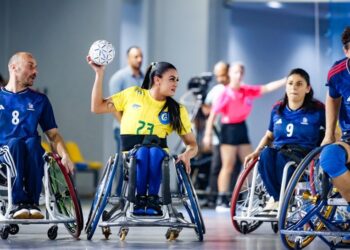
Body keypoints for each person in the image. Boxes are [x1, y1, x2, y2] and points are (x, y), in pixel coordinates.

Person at [87, 57, 198, 216]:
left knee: (152, 152)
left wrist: (187, 154)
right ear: (157, 80)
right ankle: (139, 198)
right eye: (172, 79)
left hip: (158, 154)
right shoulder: (133, 94)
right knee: (142, 152)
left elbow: (193, 145)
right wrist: (99, 74)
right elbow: (97, 107)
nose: (176, 84)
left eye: (177, 80)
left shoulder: (176, 109)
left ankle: (152, 198)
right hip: (131, 154)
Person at [203, 62, 286, 211]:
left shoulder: (245, 90)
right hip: (228, 129)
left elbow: (265, 88)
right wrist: (208, 135)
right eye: (236, 72)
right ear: (229, 74)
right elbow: (213, 115)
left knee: (251, 162)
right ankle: (221, 199)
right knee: (227, 165)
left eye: (241, 72)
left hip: (241, 127)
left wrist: (285, 80)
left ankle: (246, 195)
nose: (239, 75)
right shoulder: (225, 93)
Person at [0, 52, 74, 219]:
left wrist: (65, 155)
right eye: (30, 66)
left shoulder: (39, 100)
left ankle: (32, 202)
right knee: (15, 144)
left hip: (29, 150)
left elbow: (53, 135)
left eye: (36, 67)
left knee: (34, 143)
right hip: (4, 152)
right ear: (13, 67)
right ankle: (18, 202)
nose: (36, 71)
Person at [245, 68, 325, 212]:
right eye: (290, 83)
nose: (294, 87)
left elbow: (331, 132)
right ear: (286, 86)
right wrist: (256, 152)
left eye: (299, 84)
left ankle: (279, 200)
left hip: (303, 153)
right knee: (266, 154)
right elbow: (269, 136)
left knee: (283, 157)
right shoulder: (277, 108)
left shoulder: (318, 109)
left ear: (307, 89)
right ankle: (277, 199)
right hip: (279, 149)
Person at [319, 26, 350, 204]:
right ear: (346, 51)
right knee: (329, 157)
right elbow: (332, 98)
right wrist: (329, 134)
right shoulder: (338, 73)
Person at [109, 46, 144, 153]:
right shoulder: (119, 78)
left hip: (141, 130)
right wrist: (125, 125)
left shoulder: (145, 79)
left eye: (141, 56)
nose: (139, 59)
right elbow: (114, 105)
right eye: (136, 57)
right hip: (124, 130)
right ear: (128, 58)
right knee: (123, 163)